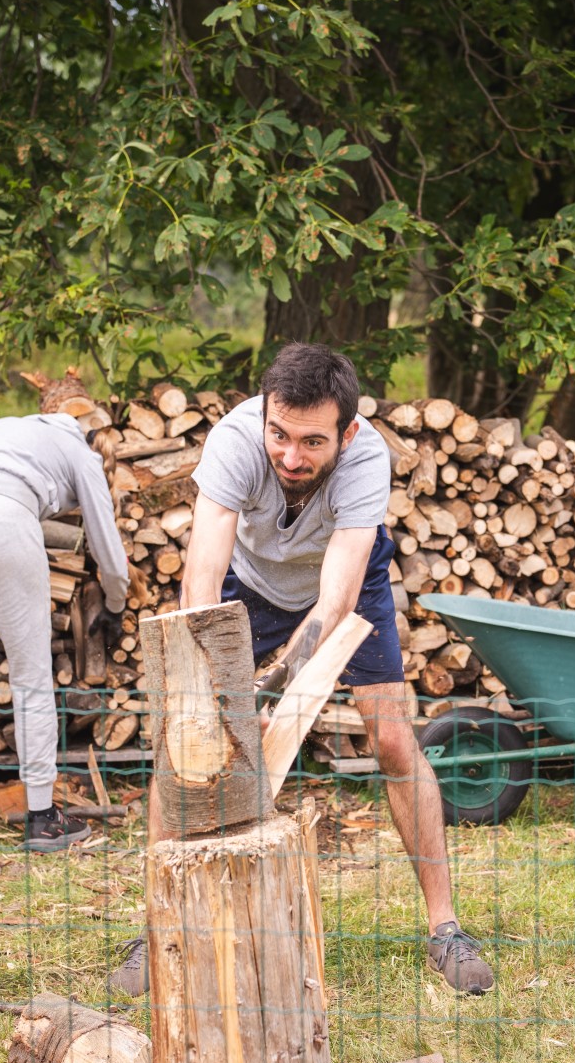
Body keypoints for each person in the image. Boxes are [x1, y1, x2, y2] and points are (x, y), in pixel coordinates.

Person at [107, 343, 496, 996]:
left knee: (394, 740)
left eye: (313, 442)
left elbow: (336, 601)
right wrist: (219, 696)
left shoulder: (367, 459)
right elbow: (201, 581)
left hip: (344, 585)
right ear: (264, 414)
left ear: (347, 433)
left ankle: (445, 928)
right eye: (280, 435)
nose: (290, 457)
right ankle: (160, 927)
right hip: (249, 581)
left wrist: (271, 691)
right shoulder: (234, 441)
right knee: (187, 740)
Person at [0, 406, 135, 852]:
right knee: (30, 672)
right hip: (2, 515)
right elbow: (109, 552)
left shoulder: (4, 428)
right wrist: (116, 603)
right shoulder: (84, 455)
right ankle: (42, 817)